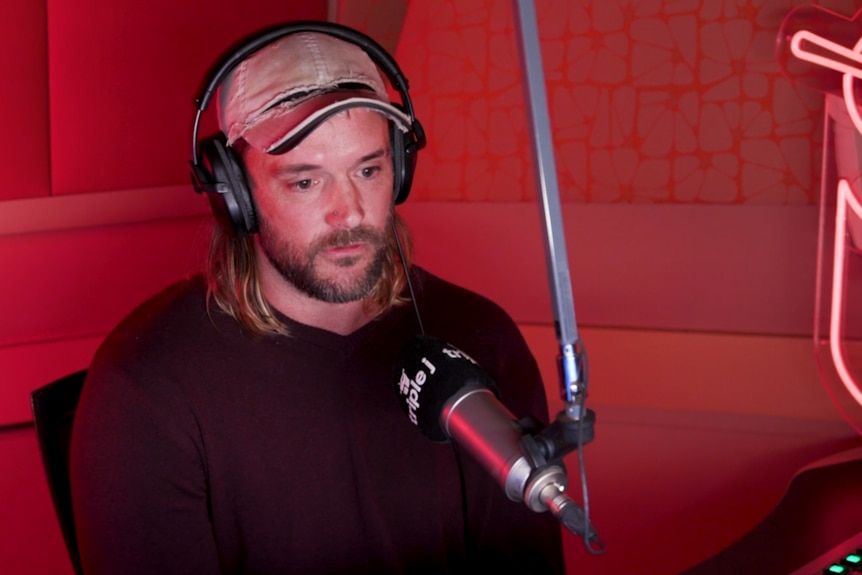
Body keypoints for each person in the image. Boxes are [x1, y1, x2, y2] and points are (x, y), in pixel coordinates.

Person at [70, 21, 566, 575]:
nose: (349, 212)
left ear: (400, 169)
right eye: (305, 182)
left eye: (368, 170)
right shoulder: (145, 389)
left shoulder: (481, 340)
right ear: (235, 195)